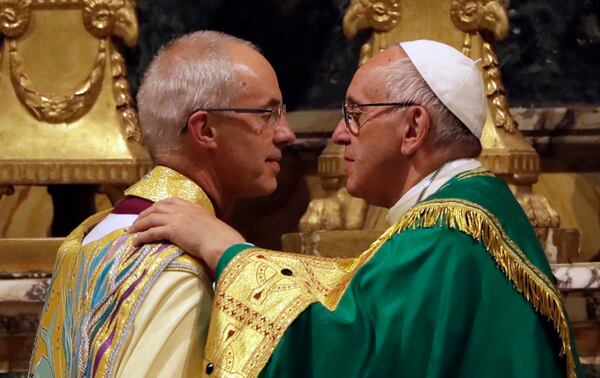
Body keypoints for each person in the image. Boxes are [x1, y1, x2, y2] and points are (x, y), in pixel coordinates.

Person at [131, 40, 580, 377]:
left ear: (413, 128)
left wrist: (227, 250)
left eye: (355, 113)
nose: (340, 135)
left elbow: (345, 354)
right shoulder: (471, 213)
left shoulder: (447, 235)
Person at [29, 31, 295, 378]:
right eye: (267, 114)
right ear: (205, 130)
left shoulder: (92, 234)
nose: (286, 133)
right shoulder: (179, 267)